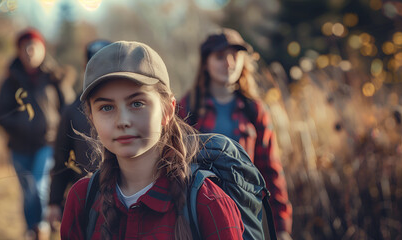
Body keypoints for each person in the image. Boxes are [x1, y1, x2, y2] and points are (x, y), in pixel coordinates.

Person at [60, 41, 244, 239]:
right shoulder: (82, 199)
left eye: (137, 103)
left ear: (168, 110)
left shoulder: (207, 202)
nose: (122, 121)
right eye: (106, 107)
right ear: (91, 118)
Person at [178, 28, 293, 239]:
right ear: (206, 63)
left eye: (235, 55)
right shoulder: (188, 107)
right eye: (220, 56)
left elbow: (270, 168)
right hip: (202, 211)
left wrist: (282, 226)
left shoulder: (254, 110)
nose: (229, 63)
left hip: (246, 211)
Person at [0, 28, 74, 239]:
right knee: (28, 190)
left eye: (34, 47)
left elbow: (69, 108)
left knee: (39, 184)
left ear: (42, 50)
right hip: (19, 147)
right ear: (19, 51)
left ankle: (42, 226)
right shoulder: (10, 81)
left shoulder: (54, 78)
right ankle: (32, 230)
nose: (30, 51)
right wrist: (21, 124)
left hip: (47, 144)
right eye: (25, 47)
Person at [47, 40, 112, 228]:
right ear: (86, 68)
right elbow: (61, 158)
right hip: (88, 201)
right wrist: (54, 201)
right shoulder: (72, 110)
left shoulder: (132, 108)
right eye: (95, 64)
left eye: (107, 63)